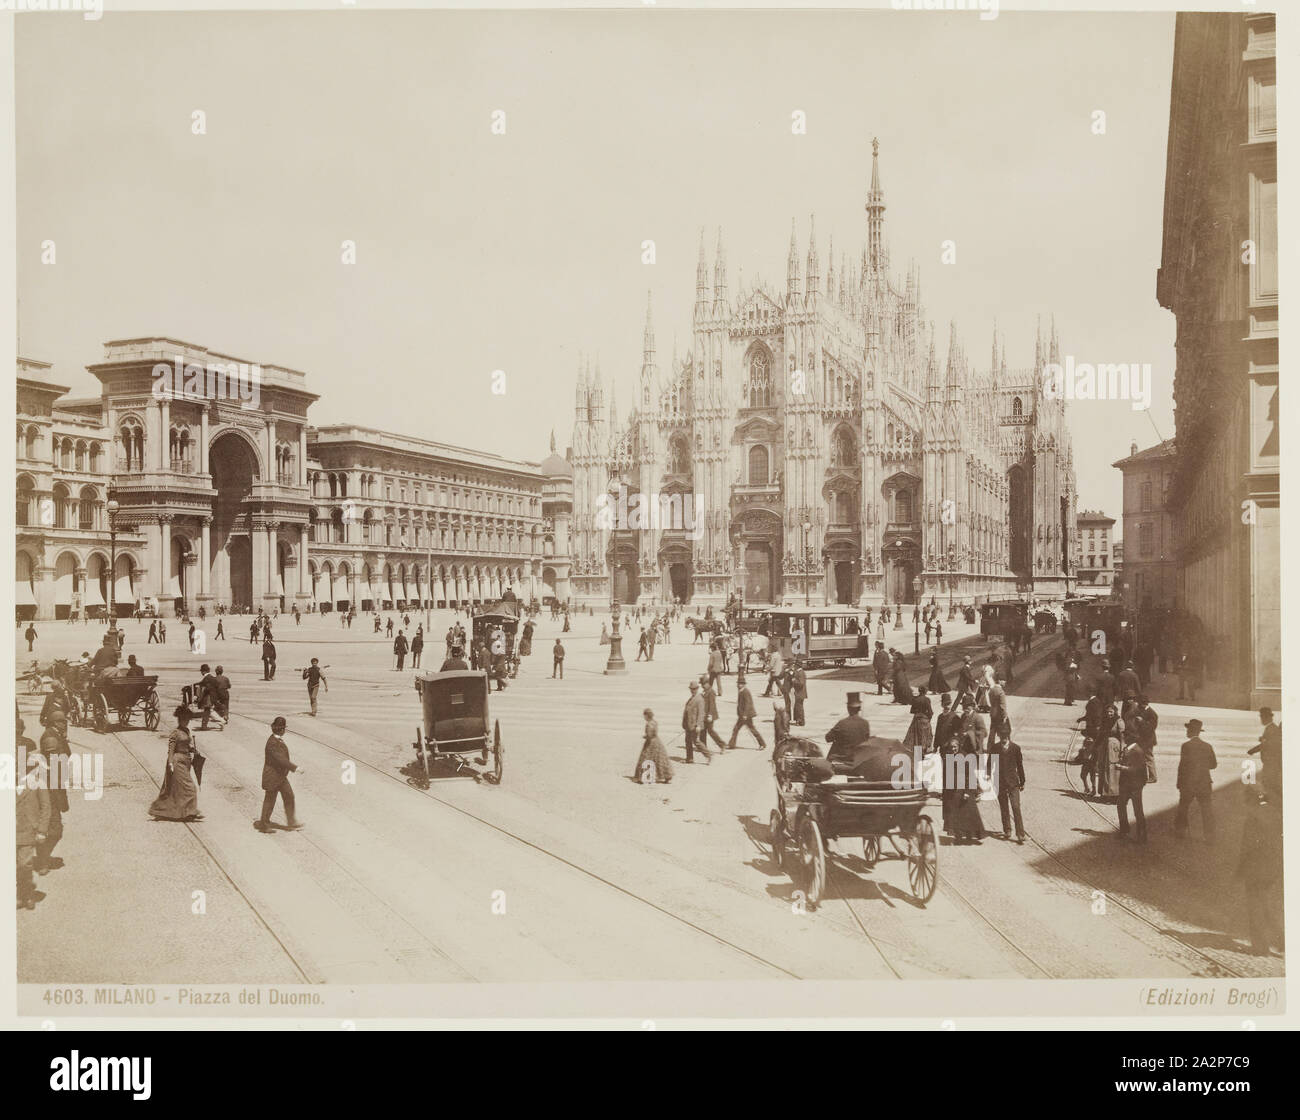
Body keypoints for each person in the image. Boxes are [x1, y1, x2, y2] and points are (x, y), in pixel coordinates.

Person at [1237, 788, 1283, 956]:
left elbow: (1247, 846)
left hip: (1256, 870)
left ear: (1251, 801)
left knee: (1255, 907)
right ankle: (1283, 939)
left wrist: (1241, 869)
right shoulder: (1275, 812)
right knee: (1265, 903)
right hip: (1274, 868)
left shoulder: (1253, 817)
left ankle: (1260, 947)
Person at [149, 707, 203, 822]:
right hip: (177, 762)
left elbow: (188, 746)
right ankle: (191, 811)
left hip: (186, 761)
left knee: (179, 789)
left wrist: (193, 750)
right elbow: (171, 749)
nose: (186, 721)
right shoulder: (175, 732)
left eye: (188, 719)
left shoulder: (187, 731)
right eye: (184, 719)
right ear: (179, 719)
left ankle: (186, 812)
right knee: (190, 787)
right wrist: (170, 763)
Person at [256, 716, 303, 832]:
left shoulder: (277, 740)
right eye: (283, 729)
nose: (284, 731)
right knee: (270, 800)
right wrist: (295, 768)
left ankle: (291, 821)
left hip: (280, 776)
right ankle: (264, 825)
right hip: (272, 776)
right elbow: (280, 759)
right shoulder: (272, 743)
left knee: (289, 796)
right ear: (281, 730)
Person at [1175, 718, 1217, 841]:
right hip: (1204, 783)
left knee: (1183, 807)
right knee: (1207, 810)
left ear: (1191, 731)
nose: (1186, 732)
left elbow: (1182, 766)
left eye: (1188, 729)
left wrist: (1179, 783)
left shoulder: (1186, 746)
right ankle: (1210, 836)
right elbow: (1213, 765)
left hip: (1188, 783)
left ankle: (1180, 831)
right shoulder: (1207, 746)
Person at [824, 693, 872, 769]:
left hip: (844, 758)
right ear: (859, 708)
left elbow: (827, 738)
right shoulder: (865, 723)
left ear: (848, 708)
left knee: (835, 745)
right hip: (859, 758)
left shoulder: (842, 723)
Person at [1116, 735, 1148, 843]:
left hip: (1134, 785)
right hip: (1127, 784)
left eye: (1125, 735)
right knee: (1121, 805)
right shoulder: (1129, 749)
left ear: (1130, 739)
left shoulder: (1137, 751)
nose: (1123, 737)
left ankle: (1142, 835)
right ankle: (1124, 830)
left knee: (1137, 810)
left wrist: (1121, 768)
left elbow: (1137, 769)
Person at [1248, 708, 1282, 805]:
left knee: (1270, 782)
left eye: (1262, 717)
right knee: (1268, 781)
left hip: (1272, 761)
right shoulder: (1270, 728)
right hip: (1270, 761)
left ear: (1267, 717)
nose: (1261, 720)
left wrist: (1253, 750)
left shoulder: (1272, 729)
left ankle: (1272, 800)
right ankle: (1269, 799)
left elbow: (1267, 744)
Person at [996, 737, 1027, 843]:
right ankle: (1007, 830)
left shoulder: (1016, 748)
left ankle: (1020, 833)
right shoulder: (995, 748)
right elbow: (990, 764)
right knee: (1004, 807)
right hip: (1000, 783)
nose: (1003, 739)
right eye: (1001, 736)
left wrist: (1022, 781)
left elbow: (1020, 765)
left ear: (1008, 736)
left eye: (1005, 736)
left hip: (1013, 783)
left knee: (1016, 806)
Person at [634, 709, 673, 784]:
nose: (644, 717)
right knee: (660, 759)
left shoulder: (649, 724)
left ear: (646, 716)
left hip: (650, 743)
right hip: (657, 742)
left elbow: (649, 735)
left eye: (644, 716)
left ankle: (644, 777)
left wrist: (645, 736)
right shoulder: (655, 722)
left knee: (646, 759)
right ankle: (667, 775)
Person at [728, 676, 766, 750]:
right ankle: (732, 744)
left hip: (746, 715)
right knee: (737, 729)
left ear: (743, 684)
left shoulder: (745, 692)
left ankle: (762, 744)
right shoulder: (741, 691)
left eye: (739, 684)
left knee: (750, 729)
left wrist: (745, 714)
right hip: (743, 715)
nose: (738, 685)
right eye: (738, 683)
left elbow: (748, 704)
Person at [682, 680, 710, 764]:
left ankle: (708, 755)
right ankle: (689, 758)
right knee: (687, 741)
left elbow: (701, 713)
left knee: (696, 742)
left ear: (697, 689)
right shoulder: (692, 698)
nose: (692, 690)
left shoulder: (699, 699)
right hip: (688, 724)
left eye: (694, 689)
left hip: (694, 725)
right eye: (691, 689)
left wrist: (698, 725)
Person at [699, 676, 727, 753]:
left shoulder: (711, 692)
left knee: (710, 731)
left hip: (709, 715)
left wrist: (710, 715)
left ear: (707, 683)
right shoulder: (705, 691)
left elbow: (712, 704)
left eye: (703, 684)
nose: (702, 686)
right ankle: (703, 746)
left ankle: (722, 745)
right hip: (705, 715)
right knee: (702, 730)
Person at [903, 687, 933, 753]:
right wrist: (928, 718)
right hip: (924, 720)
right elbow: (930, 712)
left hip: (916, 720)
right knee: (925, 737)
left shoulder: (915, 699)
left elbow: (912, 711)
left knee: (916, 738)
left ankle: (917, 754)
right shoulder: (927, 699)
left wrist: (918, 711)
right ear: (925, 691)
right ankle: (924, 752)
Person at [790, 659, 807, 726]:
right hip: (799, 693)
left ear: (798, 666)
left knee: (799, 708)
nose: (794, 666)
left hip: (800, 693)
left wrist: (794, 681)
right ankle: (800, 721)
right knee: (798, 707)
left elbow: (801, 683)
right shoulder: (799, 672)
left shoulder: (801, 673)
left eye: (795, 665)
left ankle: (801, 721)